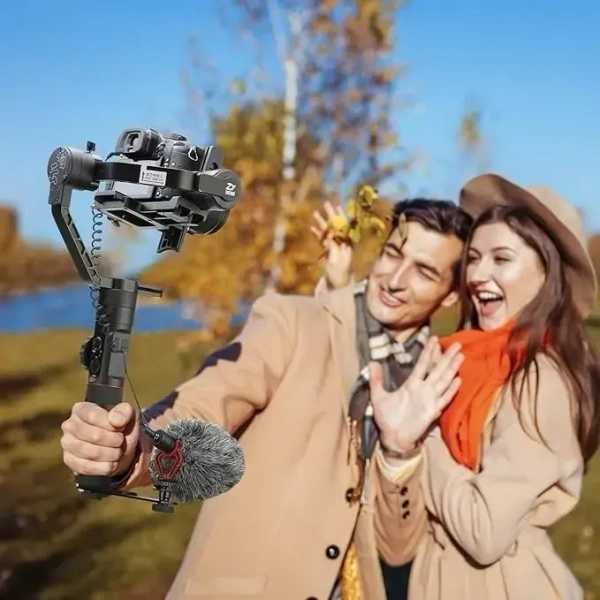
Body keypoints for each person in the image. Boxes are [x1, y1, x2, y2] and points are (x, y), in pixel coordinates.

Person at [59, 198, 472, 600]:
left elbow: (398, 548)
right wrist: (137, 450)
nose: (395, 279)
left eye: (424, 272)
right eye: (393, 254)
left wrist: (399, 453)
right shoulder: (295, 323)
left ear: (452, 294)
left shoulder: (432, 384)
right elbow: (208, 402)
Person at [365, 174, 600, 599]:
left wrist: (422, 436)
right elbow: (401, 535)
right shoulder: (459, 360)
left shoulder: (540, 379)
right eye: (473, 258)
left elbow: (484, 532)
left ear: (547, 274)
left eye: (501, 259)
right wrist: (400, 449)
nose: (477, 274)